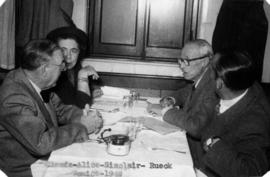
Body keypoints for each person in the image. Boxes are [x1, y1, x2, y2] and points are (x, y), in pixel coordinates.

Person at [0, 39, 103, 177]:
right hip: (28, 169)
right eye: (61, 66)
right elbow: (41, 143)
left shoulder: (37, 82)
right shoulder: (14, 96)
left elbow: (61, 110)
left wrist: (83, 117)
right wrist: (82, 127)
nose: (64, 69)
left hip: (48, 158)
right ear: (44, 70)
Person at [197, 51, 270, 177]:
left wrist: (213, 145)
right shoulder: (236, 85)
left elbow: (249, 172)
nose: (206, 73)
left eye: (210, 70)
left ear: (219, 84)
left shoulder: (254, 122)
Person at [147, 39, 219, 138]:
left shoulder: (213, 87)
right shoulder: (202, 79)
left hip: (197, 150)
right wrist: (171, 100)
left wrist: (166, 111)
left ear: (204, 62)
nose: (181, 65)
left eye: (187, 60)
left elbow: (197, 127)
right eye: (180, 60)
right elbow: (185, 93)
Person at [46, 26, 101, 109]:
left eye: (73, 51)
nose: (68, 56)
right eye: (63, 50)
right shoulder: (53, 74)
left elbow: (77, 97)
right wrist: (82, 75)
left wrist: (91, 90)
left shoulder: (74, 67)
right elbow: (82, 107)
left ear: (79, 53)